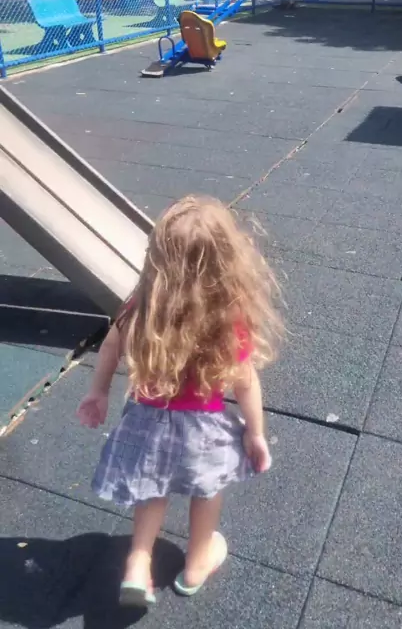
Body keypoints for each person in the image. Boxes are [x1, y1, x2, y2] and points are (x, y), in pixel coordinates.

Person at [77, 195, 282, 606]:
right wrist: (256, 433)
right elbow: (245, 382)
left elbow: (110, 348)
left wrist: (98, 392)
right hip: (202, 430)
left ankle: (138, 564)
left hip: (146, 422)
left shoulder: (140, 308)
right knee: (207, 490)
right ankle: (196, 563)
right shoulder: (227, 320)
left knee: (152, 489)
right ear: (227, 264)